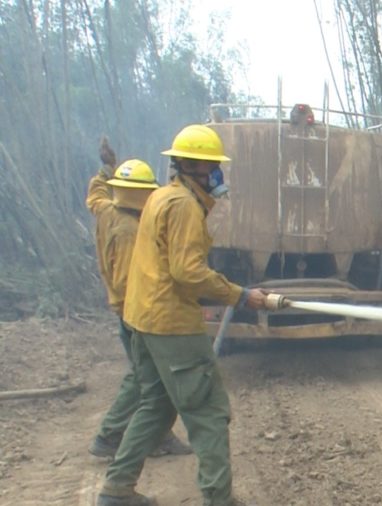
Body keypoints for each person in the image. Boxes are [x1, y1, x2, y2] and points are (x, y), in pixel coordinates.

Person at [98, 125, 274, 506]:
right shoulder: (184, 207)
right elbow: (188, 272)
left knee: (157, 404)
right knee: (209, 411)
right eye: (213, 167)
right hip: (172, 325)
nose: (218, 176)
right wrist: (241, 295)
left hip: (143, 321)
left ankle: (116, 490)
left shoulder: (162, 197)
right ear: (194, 167)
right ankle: (219, 499)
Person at [86, 152, 193, 461]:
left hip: (130, 309)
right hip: (135, 312)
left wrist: (105, 168)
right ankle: (109, 435)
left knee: (151, 375)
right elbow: (126, 282)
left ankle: (158, 435)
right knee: (144, 375)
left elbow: (95, 194)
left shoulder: (107, 209)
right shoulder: (130, 231)